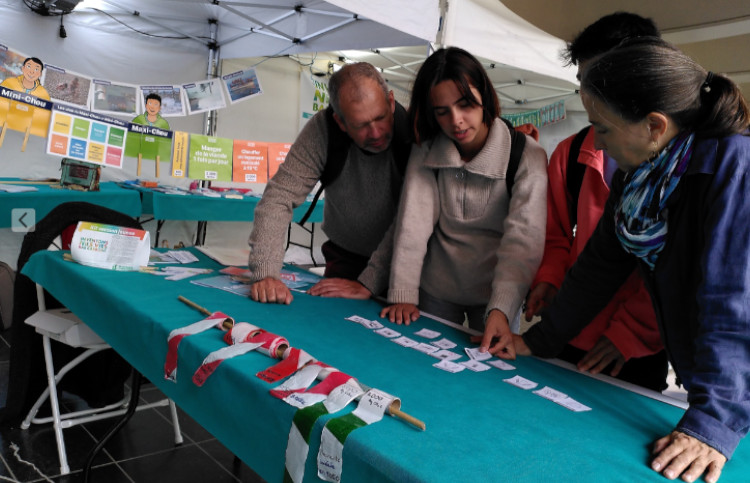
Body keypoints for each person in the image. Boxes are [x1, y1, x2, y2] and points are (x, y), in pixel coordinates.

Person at [483, 37, 750, 482]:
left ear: (654, 126)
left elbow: (732, 301)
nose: (599, 146)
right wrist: (542, 340)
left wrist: (714, 423)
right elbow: (598, 265)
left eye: (603, 129)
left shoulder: (734, 167)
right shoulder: (641, 176)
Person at [524, 12, 668, 391]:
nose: (588, 101)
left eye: (599, 84)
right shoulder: (571, 156)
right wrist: (550, 282)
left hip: (637, 350)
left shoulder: (694, 170)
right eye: (582, 85)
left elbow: (694, 283)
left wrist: (630, 334)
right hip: (568, 329)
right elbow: (587, 254)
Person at [380, 47, 547, 352]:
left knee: (492, 376)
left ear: (484, 96)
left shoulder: (527, 155)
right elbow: (412, 223)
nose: (456, 121)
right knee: (423, 366)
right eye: (442, 111)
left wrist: (501, 308)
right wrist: (403, 292)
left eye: (465, 105)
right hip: (436, 291)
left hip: (496, 295)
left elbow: (523, 242)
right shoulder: (426, 149)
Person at [247, 63, 411, 304]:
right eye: (361, 125)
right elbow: (279, 196)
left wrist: (370, 281)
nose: (375, 133)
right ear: (340, 122)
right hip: (344, 258)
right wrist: (266, 273)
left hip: (403, 265)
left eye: (380, 118)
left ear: (391, 101)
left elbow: (412, 218)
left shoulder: (412, 133)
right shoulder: (322, 130)